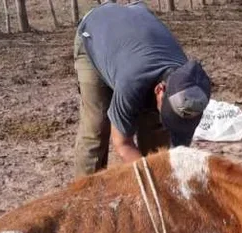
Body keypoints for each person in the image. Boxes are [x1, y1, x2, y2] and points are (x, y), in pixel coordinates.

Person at [73, 1, 211, 177]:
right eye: (169, 112)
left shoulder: (193, 91)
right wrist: (154, 179)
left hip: (135, 36)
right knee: (97, 127)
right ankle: (86, 196)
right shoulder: (132, 83)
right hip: (95, 33)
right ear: (160, 90)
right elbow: (123, 144)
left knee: (156, 128)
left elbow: (178, 148)